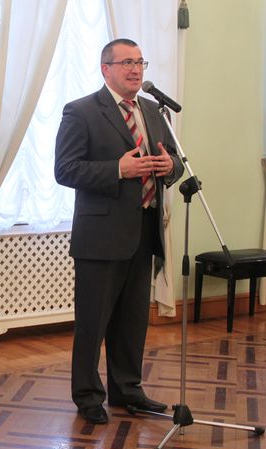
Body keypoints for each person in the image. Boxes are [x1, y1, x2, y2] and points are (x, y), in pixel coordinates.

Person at [54, 38, 184, 424]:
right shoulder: (81, 111)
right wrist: (117, 169)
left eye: (140, 62)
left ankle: (127, 389)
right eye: (126, 62)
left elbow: (176, 160)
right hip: (101, 235)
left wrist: (170, 168)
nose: (135, 69)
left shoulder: (154, 110)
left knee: (132, 321)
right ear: (106, 69)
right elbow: (65, 169)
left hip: (144, 229)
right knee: (92, 322)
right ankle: (87, 395)